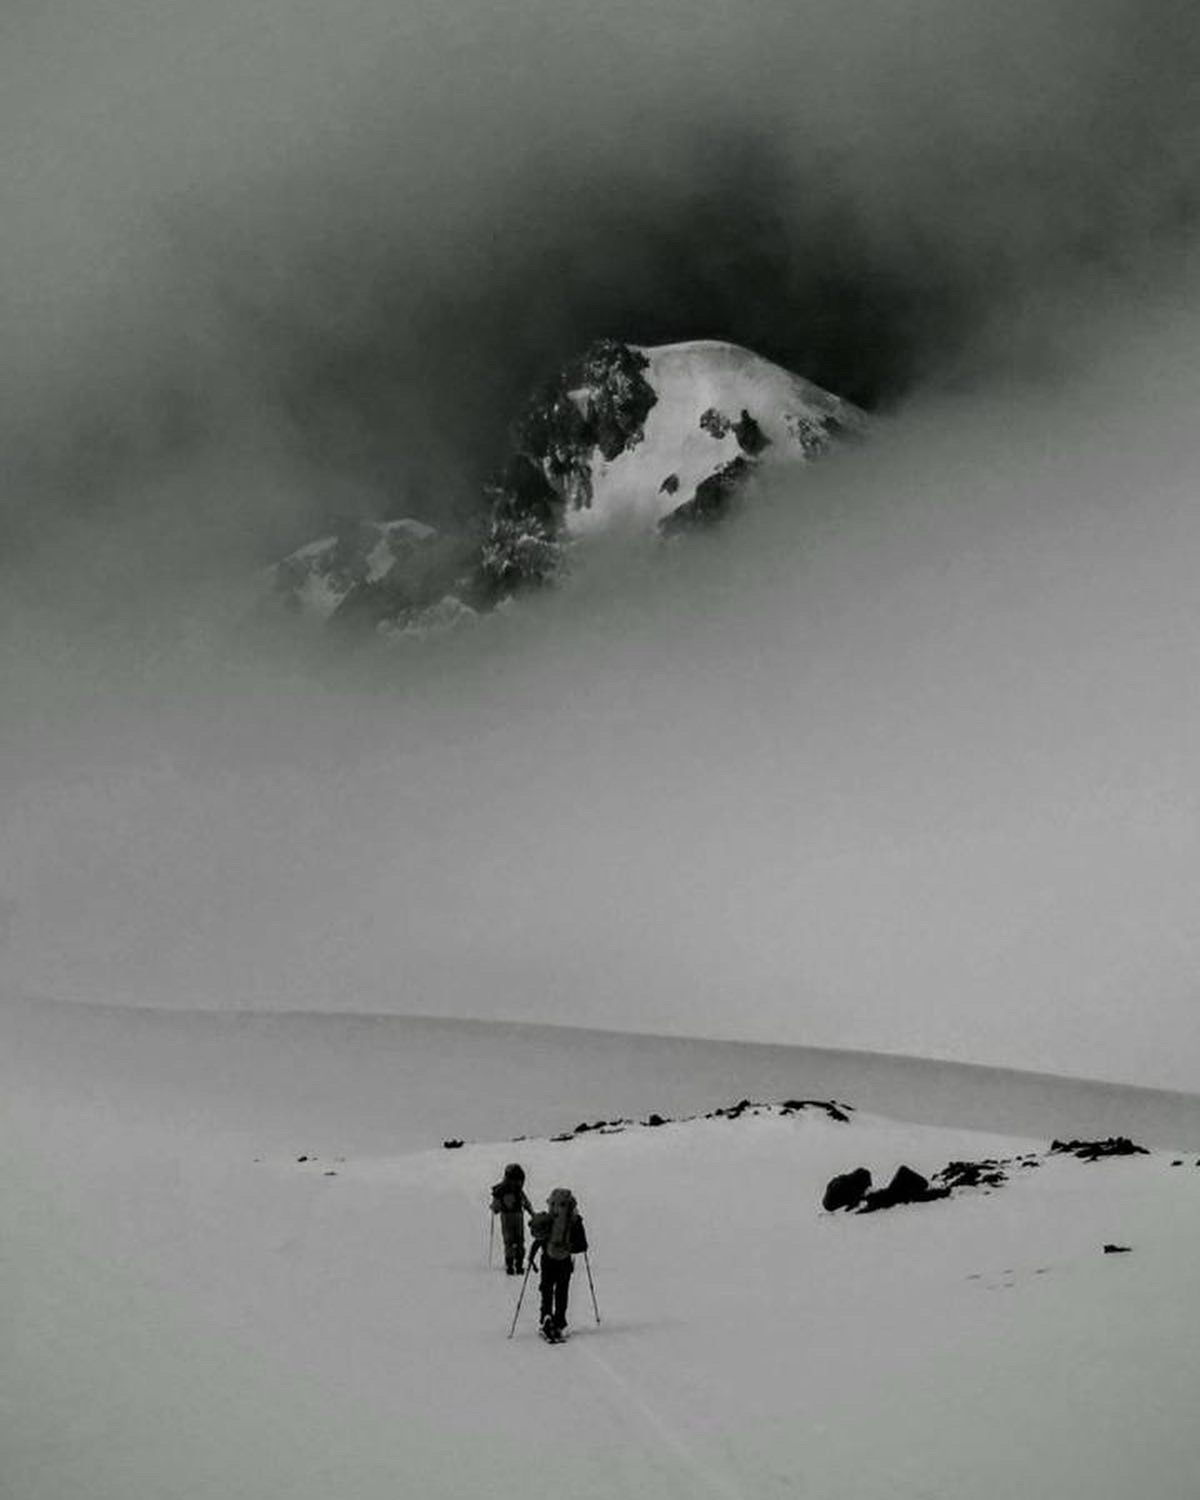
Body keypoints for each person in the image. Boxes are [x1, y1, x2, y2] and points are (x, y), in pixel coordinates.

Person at [528, 1186, 587, 1340]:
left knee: (546, 1289)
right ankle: (560, 1320)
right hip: (565, 1261)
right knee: (562, 1291)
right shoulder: (574, 1221)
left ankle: (546, 1317)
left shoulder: (549, 1217)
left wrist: (531, 1257)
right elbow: (582, 1246)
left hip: (547, 1259)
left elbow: (539, 1239)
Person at [490, 1163, 533, 1274]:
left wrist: (494, 1208)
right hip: (518, 1215)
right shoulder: (518, 1189)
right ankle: (519, 1265)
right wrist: (532, 1213)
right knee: (519, 1240)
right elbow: (526, 1202)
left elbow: (496, 1207)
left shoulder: (500, 1190)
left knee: (508, 1241)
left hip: (506, 1216)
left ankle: (509, 1265)